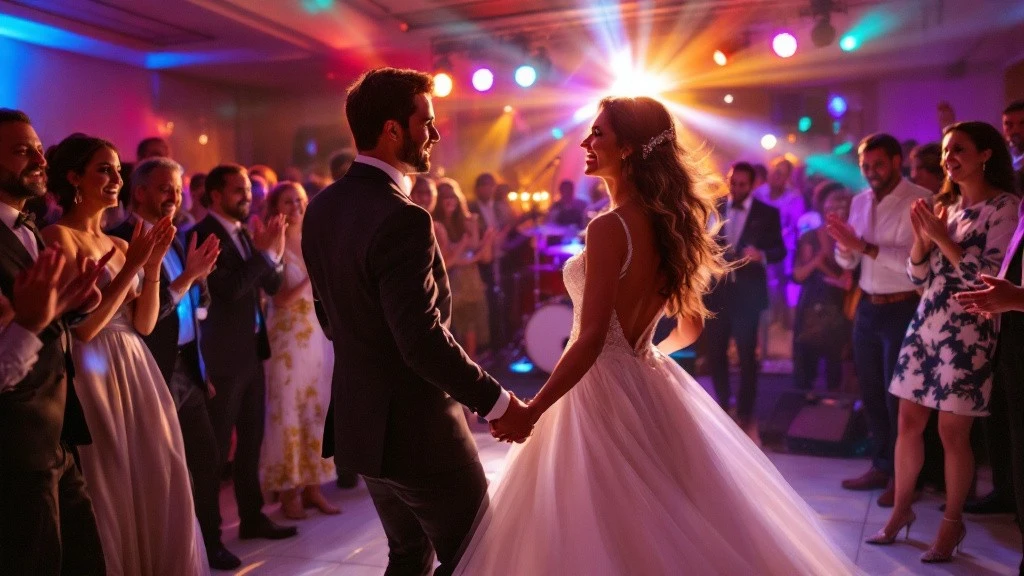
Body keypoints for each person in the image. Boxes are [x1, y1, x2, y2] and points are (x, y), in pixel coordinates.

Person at [455, 96, 860, 575]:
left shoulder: (609, 227)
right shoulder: (667, 225)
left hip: (598, 390)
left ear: (628, 148)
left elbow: (588, 339)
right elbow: (688, 326)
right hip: (645, 378)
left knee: (598, 526)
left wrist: (531, 411)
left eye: (597, 133)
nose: (585, 142)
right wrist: (643, 359)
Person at [301, 67, 533, 576]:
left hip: (364, 422)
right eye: (426, 121)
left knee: (407, 557)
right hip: (418, 430)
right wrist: (496, 402)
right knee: (478, 556)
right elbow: (422, 338)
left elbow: (329, 315)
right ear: (391, 130)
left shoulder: (321, 208)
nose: (435, 133)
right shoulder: (403, 216)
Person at [41, 134, 209, 575]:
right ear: (74, 177)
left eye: (119, 170)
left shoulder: (117, 245)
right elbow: (84, 329)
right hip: (94, 371)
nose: (117, 178)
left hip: (136, 366)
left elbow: (145, 323)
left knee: (157, 471)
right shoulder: (57, 236)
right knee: (112, 479)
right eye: (105, 169)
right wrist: (135, 264)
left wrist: (151, 266)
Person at [869, 122, 1020, 563]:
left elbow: (988, 278)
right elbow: (919, 278)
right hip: (927, 322)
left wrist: (941, 239)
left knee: (953, 432)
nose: (949, 158)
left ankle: (951, 526)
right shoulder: (946, 206)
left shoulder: (1005, 207)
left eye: (960, 150)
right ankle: (901, 512)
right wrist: (922, 243)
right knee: (908, 424)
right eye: (947, 151)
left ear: (986, 154)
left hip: (969, 329)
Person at [105, 157, 240, 570]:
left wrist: (200, 282)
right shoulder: (120, 240)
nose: (173, 196)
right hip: (151, 365)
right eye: (164, 187)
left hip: (187, 367)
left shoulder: (179, 238)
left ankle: (209, 543)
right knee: (162, 468)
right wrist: (187, 281)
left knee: (206, 458)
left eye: (178, 189)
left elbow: (194, 307)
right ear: (140, 191)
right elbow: (143, 320)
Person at [0, 109, 106, 576]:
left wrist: (71, 304)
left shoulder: (26, 228)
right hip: (14, 444)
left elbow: (44, 318)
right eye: (23, 150)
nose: (41, 158)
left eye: (39, 148)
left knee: (84, 560)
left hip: (59, 433)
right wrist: (32, 320)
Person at [189, 164, 297, 541]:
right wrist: (264, 256)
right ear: (214, 194)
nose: (246, 197)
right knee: (217, 451)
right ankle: (209, 535)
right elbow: (230, 289)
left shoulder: (244, 233)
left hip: (252, 350)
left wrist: (275, 254)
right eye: (237, 190)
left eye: (248, 191)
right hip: (221, 356)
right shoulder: (201, 234)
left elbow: (270, 283)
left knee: (251, 442)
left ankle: (252, 518)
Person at [826, 133, 933, 504]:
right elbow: (849, 263)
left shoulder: (920, 199)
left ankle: (908, 479)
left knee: (897, 397)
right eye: (865, 167)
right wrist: (843, 247)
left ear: (897, 160)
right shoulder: (859, 201)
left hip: (904, 307)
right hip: (868, 306)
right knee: (870, 391)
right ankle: (881, 465)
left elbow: (914, 265)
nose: (871, 172)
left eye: (878, 165)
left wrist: (864, 247)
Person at [259, 182, 340, 519]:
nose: (295, 206)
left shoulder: (315, 238)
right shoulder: (270, 240)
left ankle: (313, 488)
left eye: (300, 200)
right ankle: (288, 490)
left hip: (317, 335)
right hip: (285, 336)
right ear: (276, 206)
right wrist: (313, 278)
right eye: (288, 201)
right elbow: (277, 297)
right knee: (286, 411)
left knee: (316, 409)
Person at [704, 161, 786, 439]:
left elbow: (780, 251)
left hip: (748, 294)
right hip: (717, 291)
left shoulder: (767, 213)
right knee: (715, 353)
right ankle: (723, 403)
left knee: (747, 355)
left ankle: (746, 410)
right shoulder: (714, 207)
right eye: (733, 183)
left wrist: (761, 254)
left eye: (742, 184)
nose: (737, 188)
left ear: (752, 185)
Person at [791, 186, 853, 392]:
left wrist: (832, 275)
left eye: (841, 203)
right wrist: (817, 262)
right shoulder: (810, 237)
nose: (836, 207)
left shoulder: (854, 235)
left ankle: (836, 404)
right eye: (831, 203)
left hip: (841, 304)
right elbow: (798, 275)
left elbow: (847, 279)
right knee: (806, 354)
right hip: (813, 300)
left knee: (837, 361)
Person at [433, 178, 493, 360]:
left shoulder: (467, 221)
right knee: (458, 329)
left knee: (473, 326)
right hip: (452, 283)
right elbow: (447, 261)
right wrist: (468, 249)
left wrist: (485, 241)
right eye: (444, 197)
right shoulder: (437, 225)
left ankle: (472, 367)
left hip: (472, 281)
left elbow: (484, 257)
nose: (449, 201)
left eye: (452, 196)